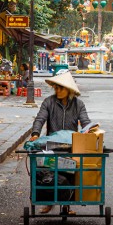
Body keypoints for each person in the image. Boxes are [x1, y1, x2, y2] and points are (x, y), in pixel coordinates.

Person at [29, 71, 91, 214]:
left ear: (68, 90)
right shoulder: (48, 102)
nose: (57, 91)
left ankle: (66, 205)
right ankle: (49, 202)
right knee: (49, 173)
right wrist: (35, 133)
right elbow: (40, 119)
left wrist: (90, 132)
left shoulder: (79, 105)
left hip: (71, 146)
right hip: (51, 145)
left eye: (60, 88)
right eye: (56, 88)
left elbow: (86, 122)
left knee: (70, 172)